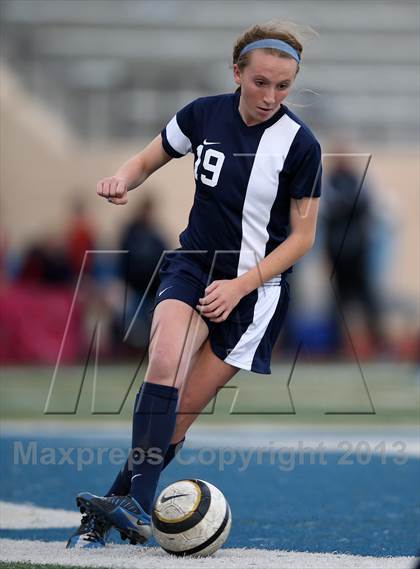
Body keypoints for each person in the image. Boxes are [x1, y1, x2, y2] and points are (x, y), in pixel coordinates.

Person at [67, 20, 322, 549]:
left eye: (282, 86)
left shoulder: (301, 145)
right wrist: (121, 179)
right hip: (193, 265)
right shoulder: (202, 114)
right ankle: (136, 503)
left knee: (179, 415)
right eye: (260, 83)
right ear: (237, 73)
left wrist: (240, 286)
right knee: (164, 358)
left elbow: (301, 240)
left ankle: (114, 504)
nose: (270, 96)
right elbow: (145, 159)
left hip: (256, 292)